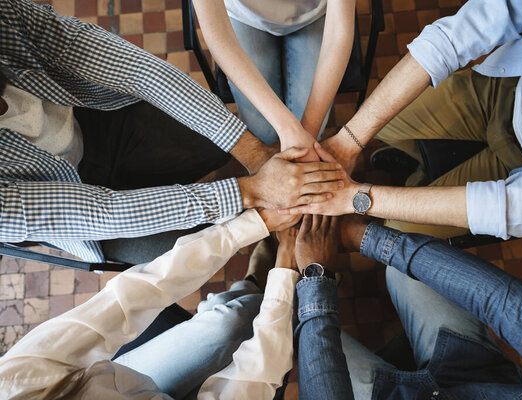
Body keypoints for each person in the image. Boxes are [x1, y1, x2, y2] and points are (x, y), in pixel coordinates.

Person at [0, 0, 344, 265]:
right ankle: (264, 245)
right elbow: (99, 212)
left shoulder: (5, 17)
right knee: (197, 252)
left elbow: (137, 69)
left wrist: (255, 155)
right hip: (79, 216)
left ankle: (271, 213)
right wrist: (251, 191)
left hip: (95, 118)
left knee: (222, 142)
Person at [287, 0, 522, 240]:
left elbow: (519, 205)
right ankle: (419, 168)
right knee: (383, 123)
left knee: (396, 232)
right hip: (504, 84)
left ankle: (422, 177)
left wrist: (355, 198)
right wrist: (348, 142)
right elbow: (461, 33)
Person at [0, 208, 302, 400]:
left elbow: (130, 296)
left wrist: (249, 225)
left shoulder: (16, 383)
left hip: (132, 379)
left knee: (230, 321)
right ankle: (301, 290)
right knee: (275, 334)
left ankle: (251, 284)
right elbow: (252, 382)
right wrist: (287, 264)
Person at [293, 215, 522, 399]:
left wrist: (316, 275)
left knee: (294, 317)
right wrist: (368, 237)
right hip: (474, 372)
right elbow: (508, 305)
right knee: (402, 269)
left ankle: (266, 271)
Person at [193, 0, 356, 157]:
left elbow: (338, 32)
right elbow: (218, 31)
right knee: (261, 131)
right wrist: (288, 129)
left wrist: (306, 137)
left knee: (315, 130)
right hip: (243, 15)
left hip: (313, 14)